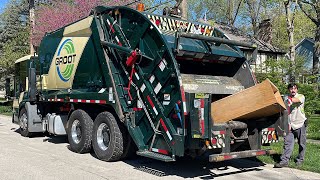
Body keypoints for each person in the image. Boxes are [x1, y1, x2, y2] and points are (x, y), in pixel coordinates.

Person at [274, 83, 307, 168]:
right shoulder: (286, 98)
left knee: (302, 144)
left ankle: (300, 160)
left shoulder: (301, 96)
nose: (293, 90)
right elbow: (285, 111)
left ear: (297, 90)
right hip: (289, 125)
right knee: (287, 143)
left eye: (295, 88)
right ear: (289, 90)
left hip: (300, 123)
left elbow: (295, 100)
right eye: (291, 89)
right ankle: (284, 161)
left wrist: (288, 100)